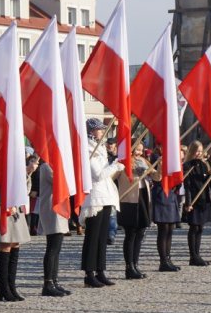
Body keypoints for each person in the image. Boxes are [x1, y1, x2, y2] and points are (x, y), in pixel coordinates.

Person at [80, 118, 124, 287]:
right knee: (92, 237)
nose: (102, 132)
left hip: (106, 196)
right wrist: (115, 166)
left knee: (102, 237)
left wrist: (114, 166)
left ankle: (100, 270)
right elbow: (97, 174)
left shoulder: (100, 148)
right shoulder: (88, 149)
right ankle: (89, 273)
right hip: (95, 197)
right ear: (92, 131)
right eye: (99, 129)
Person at [0, 173, 31, 302]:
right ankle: (4, 288)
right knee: (6, 245)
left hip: (17, 207)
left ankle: (11, 286)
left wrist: (27, 173)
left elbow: (26, 190)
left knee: (15, 244)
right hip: (3, 206)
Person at [117, 141, 152, 279]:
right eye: (136, 149)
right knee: (131, 234)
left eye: (141, 150)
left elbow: (157, 176)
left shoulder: (144, 161)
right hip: (129, 200)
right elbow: (112, 177)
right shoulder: (124, 162)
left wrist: (157, 167)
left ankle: (136, 264)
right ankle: (129, 266)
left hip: (143, 197)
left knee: (141, 232)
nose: (139, 153)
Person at [38, 163, 72, 296]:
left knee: (57, 249)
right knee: (52, 248)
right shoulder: (47, 166)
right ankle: (48, 283)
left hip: (60, 208)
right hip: (52, 209)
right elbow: (60, 182)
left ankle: (54, 280)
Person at [150, 147, 182, 272]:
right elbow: (156, 178)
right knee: (163, 230)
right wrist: (160, 163)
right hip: (161, 194)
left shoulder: (173, 159)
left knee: (170, 229)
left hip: (171, 195)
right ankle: (163, 261)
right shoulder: (155, 158)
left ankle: (168, 259)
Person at [183, 141, 211, 266]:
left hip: (203, 200)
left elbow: (206, 182)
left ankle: (197, 254)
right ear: (191, 152)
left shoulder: (204, 165)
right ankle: (193, 256)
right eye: (196, 151)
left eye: (200, 151)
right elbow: (188, 186)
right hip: (193, 200)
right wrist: (188, 203)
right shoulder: (187, 166)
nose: (199, 153)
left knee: (200, 228)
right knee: (194, 227)